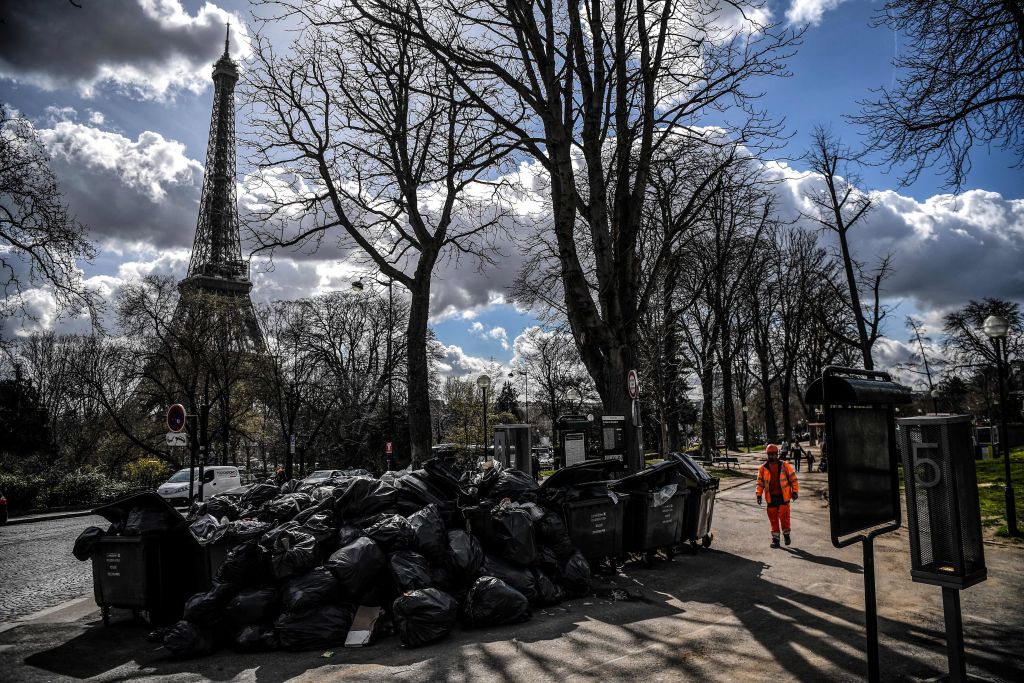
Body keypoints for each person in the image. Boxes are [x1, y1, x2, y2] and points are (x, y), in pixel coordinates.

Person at [756, 443, 799, 548]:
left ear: (777, 454)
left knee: (785, 518)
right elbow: (759, 482)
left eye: (773, 454)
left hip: (783, 497)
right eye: (769, 454)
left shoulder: (785, 465)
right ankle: (775, 540)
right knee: (773, 519)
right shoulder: (763, 468)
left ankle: (786, 535)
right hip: (771, 498)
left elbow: (793, 479)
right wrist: (758, 494)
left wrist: (795, 492)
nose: (771, 456)